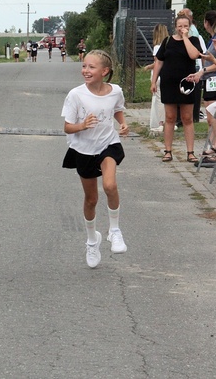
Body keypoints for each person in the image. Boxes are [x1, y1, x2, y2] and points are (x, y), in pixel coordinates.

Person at [62, 50, 129, 268]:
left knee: (110, 185)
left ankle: (115, 230)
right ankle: (92, 241)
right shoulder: (76, 95)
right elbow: (67, 126)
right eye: (84, 66)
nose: (85, 71)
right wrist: (82, 125)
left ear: (104, 71)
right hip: (83, 149)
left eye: (91, 67)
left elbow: (117, 109)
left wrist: (123, 123)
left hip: (108, 144)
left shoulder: (115, 91)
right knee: (91, 200)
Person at [151, 14, 204, 163]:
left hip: (186, 83)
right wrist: (154, 81)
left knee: (187, 118)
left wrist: (186, 37)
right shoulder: (167, 41)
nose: (182, 29)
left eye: (185, 26)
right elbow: (159, 62)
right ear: (175, 27)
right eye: (180, 26)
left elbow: (194, 55)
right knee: (170, 117)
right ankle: (168, 151)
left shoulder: (193, 40)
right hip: (169, 83)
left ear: (190, 26)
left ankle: (190, 152)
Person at [189, 10, 216, 156]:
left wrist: (203, 70)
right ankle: (215, 144)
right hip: (210, 79)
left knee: (214, 113)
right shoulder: (214, 38)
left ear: (207, 23)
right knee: (210, 114)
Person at [143, 23, 169, 132]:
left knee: (158, 100)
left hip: (157, 76)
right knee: (165, 100)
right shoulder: (168, 45)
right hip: (166, 75)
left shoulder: (157, 47)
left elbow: (158, 62)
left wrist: (148, 67)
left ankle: (160, 123)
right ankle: (166, 121)